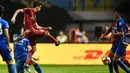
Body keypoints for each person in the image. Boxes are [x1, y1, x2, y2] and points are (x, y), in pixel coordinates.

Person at [11, 1, 60, 68]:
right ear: (37, 6)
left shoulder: (34, 15)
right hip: (31, 31)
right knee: (46, 33)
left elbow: (37, 26)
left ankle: (27, 63)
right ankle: (56, 42)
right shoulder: (30, 9)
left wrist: (46, 28)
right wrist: (14, 17)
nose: (40, 8)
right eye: (40, 7)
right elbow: (18, 10)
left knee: (33, 49)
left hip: (29, 33)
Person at [0, 5, 15, 73]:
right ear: (2, 13)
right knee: (9, 62)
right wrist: (8, 45)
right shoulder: (4, 22)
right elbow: (6, 34)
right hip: (2, 44)